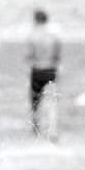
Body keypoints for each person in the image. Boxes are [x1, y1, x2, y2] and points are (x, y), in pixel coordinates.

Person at [26, 9, 61, 137]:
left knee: (35, 102)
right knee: (52, 102)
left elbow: (30, 56)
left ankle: (36, 129)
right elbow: (57, 56)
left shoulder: (33, 36)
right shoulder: (54, 36)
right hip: (50, 70)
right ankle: (53, 131)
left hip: (37, 70)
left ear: (36, 20)